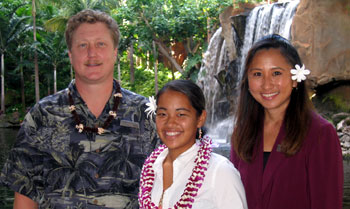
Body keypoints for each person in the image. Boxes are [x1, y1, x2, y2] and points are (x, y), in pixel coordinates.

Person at [0, 9, 158, 209]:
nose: (92, 53)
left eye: (101, 44)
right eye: (83, 45)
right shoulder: (42, 116)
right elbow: (25, 196)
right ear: (70, 54)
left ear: (115, 52)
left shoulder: (148, 114)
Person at [230, 34, 343, 209]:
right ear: (247, 80)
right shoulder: (242, 132)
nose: (267, 85)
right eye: (257, 74)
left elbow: (328, 203)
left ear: (295, 79)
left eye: (276, 73)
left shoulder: (320, 133)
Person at [138, 79, 248, 209]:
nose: (170, 123)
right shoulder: (151, 168)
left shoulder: (220, 172)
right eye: (162, 114)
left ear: (200, 118)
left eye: (181, 114)